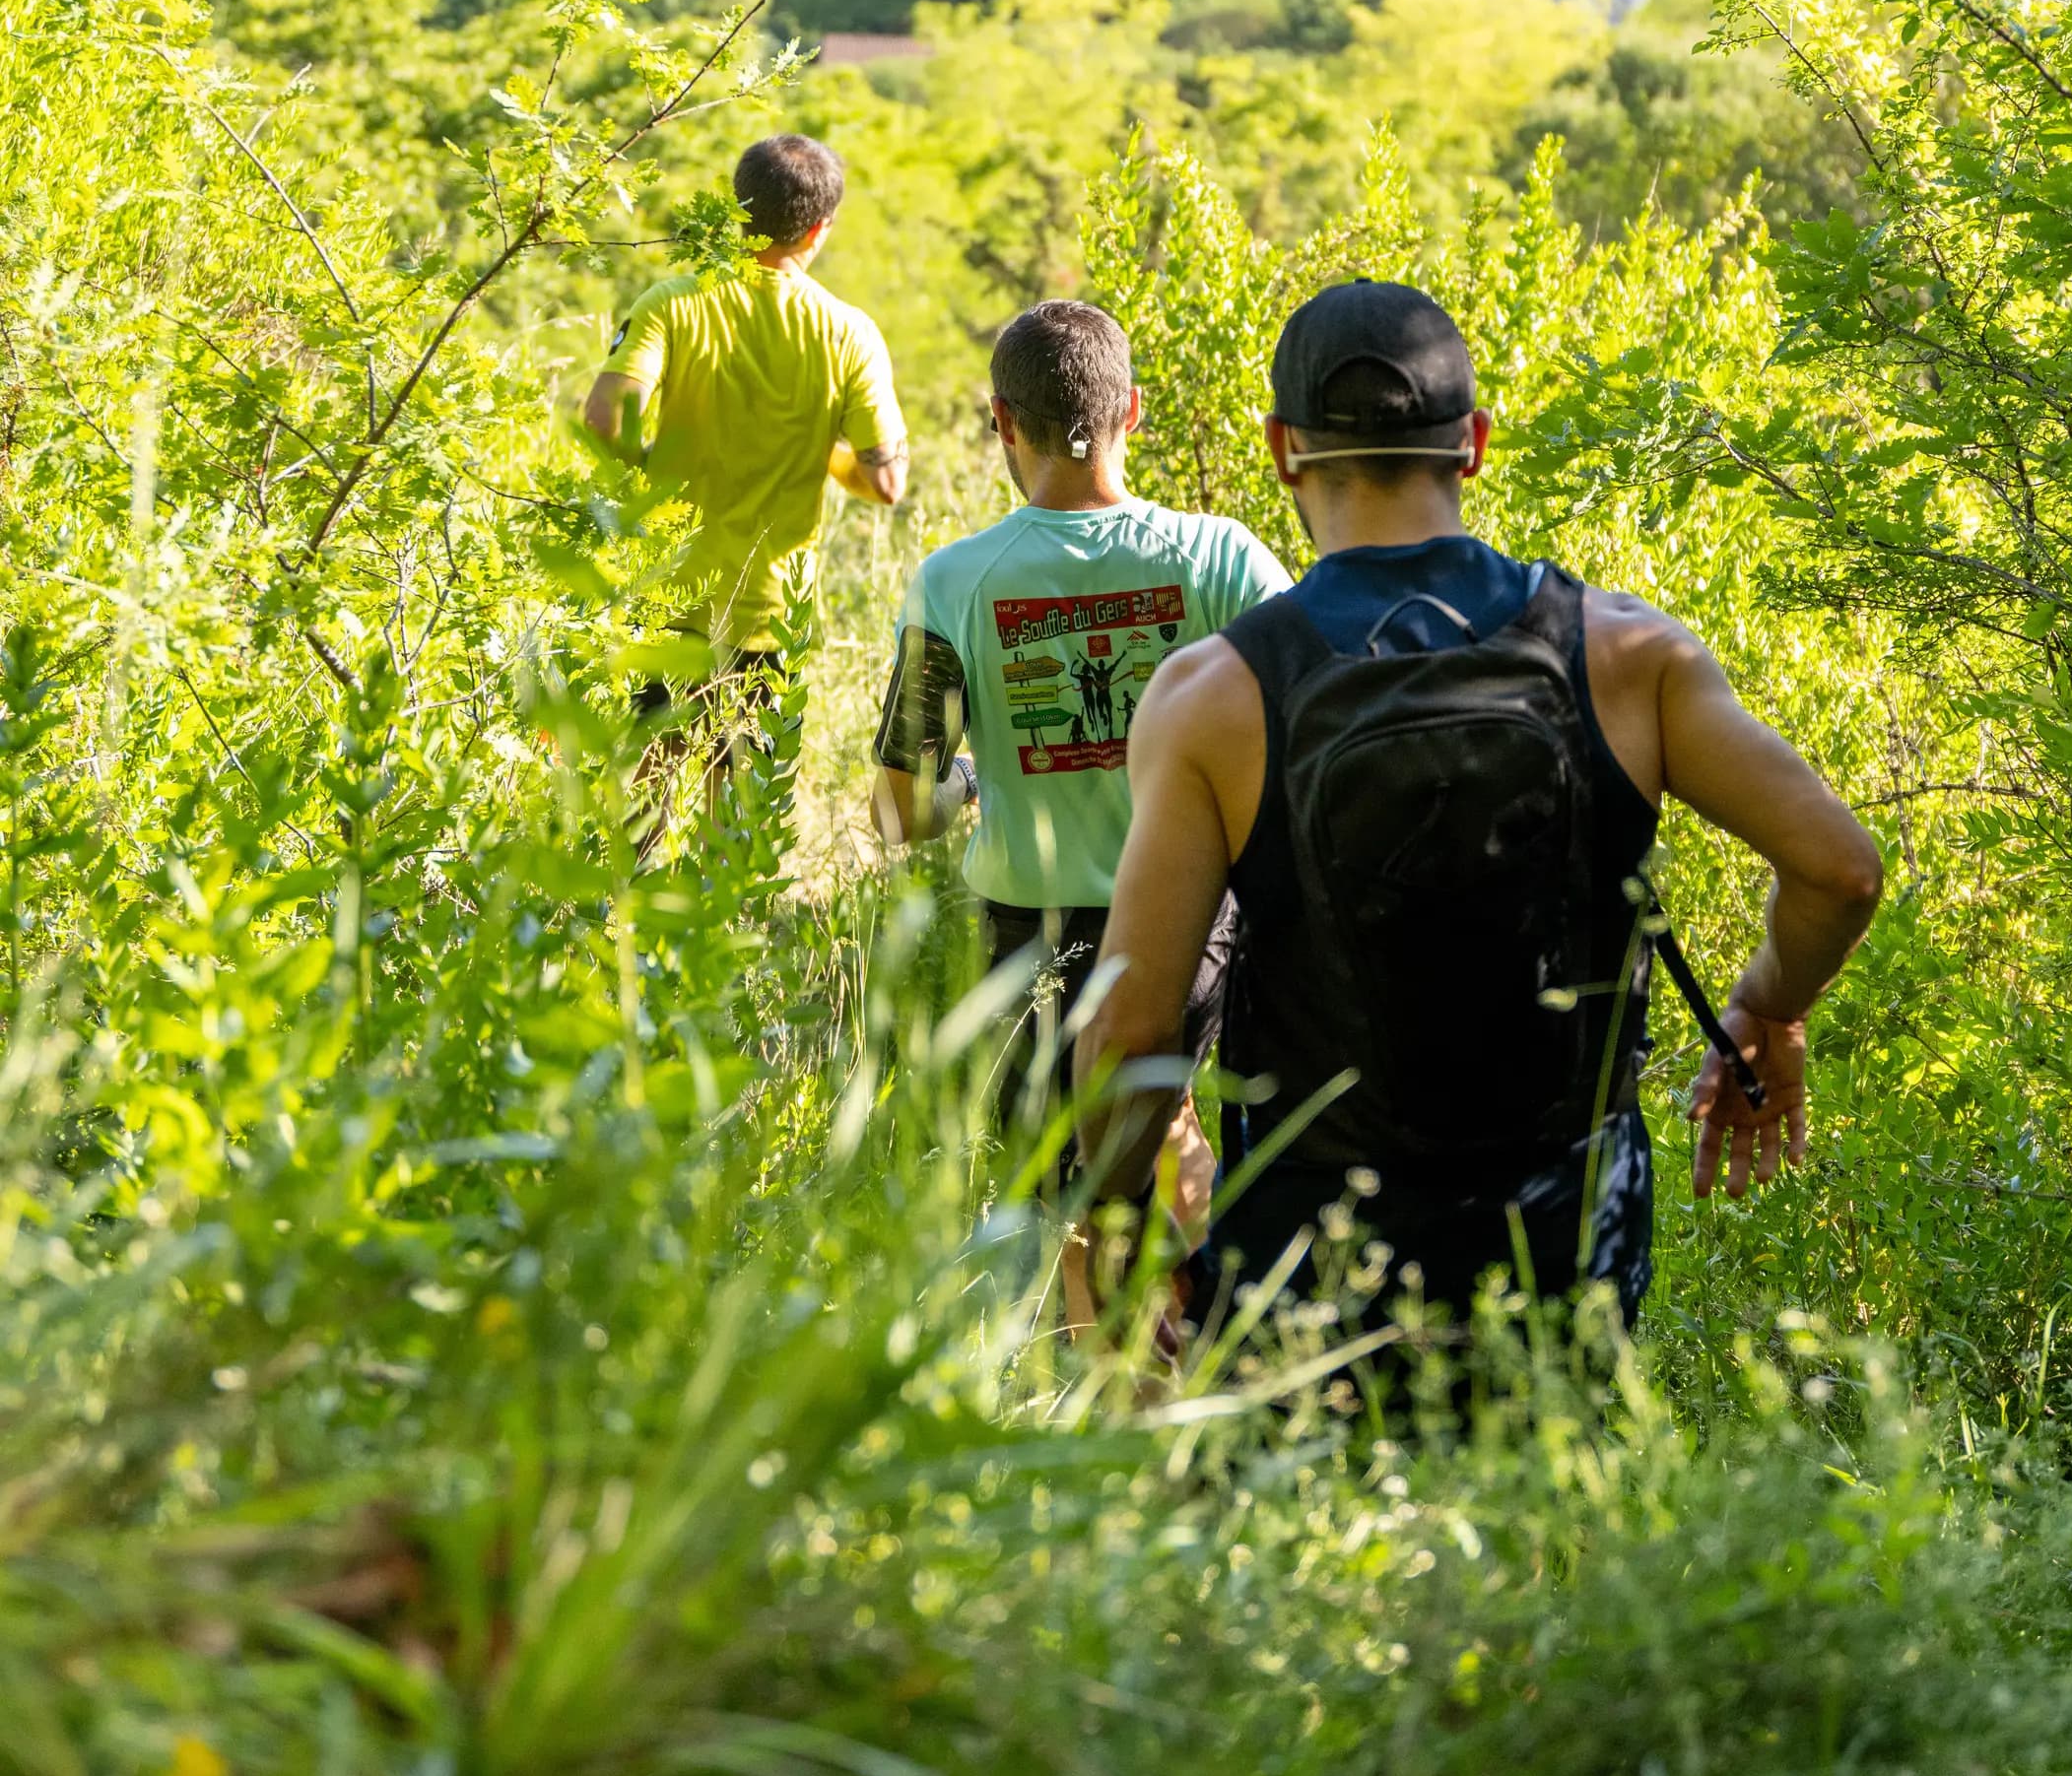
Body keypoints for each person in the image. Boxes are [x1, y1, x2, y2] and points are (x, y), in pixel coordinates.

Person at [1077, 279, 1884, 1326]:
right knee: (1558, 1489)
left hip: (1318, 1256)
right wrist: (1768, 1008)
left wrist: (1116, 1225)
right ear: (1475, 442)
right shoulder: (1628, 655)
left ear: (1282, 447)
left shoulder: (1210, 698)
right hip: (1564, 1237)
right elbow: (1839, 869)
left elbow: (1136, 1032)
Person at [870, 298, 1287, 1056]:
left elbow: (900, 816)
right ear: (1132, 410)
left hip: (1026, 947)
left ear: (1003, 420)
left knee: (1049, 1167)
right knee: (1168, 1150)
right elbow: (1316, 733)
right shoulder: (1226, 560)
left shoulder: (951, 584)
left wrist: (965, 782)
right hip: (1193, 928)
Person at [580, 134, 907, 736]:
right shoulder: (850, 333)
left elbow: (604, 418)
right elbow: (886, 480)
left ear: (738, 210)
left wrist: (649, 473)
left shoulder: (670, 303)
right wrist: (828, 456)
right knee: (737, 814)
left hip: (668, 596)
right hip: (768, 611)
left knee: (650, 802)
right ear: (820, 230)